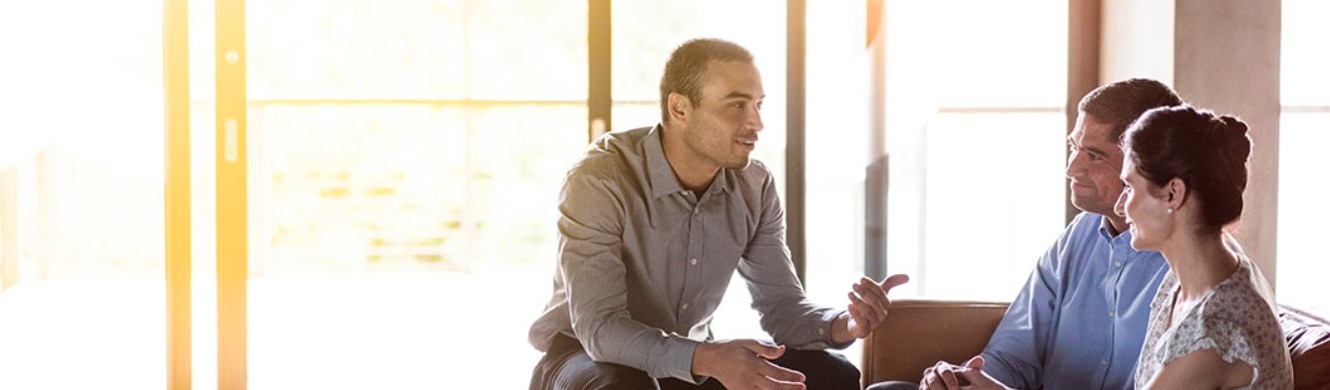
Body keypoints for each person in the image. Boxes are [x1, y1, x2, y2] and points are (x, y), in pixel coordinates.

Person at [527, 38, 910, 390]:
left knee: (832, 374)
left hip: (690, 358)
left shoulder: (754, 185)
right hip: (584, 357)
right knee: (625, 386)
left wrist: (847, 323)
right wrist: (708, 357)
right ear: (680, 108)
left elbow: (782, 309)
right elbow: (601, 329)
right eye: (737, 105)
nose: (757, 123)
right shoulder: (600, 179)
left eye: (759, 105)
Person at [868, 78, 1184, 390]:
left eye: (1094, 155)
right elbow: (1013, 356)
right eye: (1073, 147)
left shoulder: (1190, 262)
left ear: (1146, 164)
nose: (1072, 168)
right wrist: (966, 380)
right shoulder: (1077, 238)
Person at [1114, 106, 1292, 389]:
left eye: (1129, 187)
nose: (1120, 207)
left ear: (1173, 193)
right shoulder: (1186, 280)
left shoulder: (1215, 333)